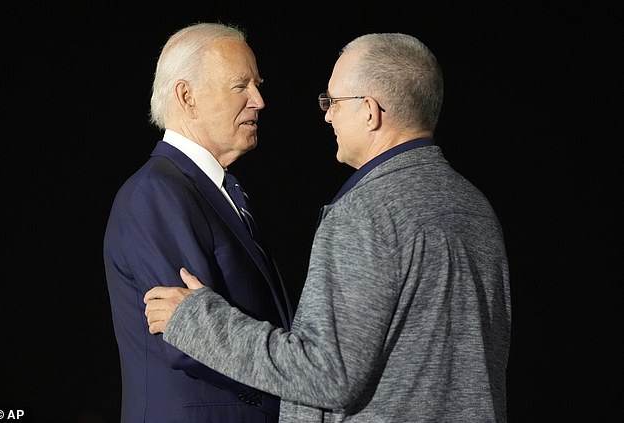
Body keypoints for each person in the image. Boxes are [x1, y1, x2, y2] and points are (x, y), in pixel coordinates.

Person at [144, 33, 511, 422]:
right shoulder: (475, 207)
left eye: (332, 102)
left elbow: (326, 375)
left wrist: (197, 321)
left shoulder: (367, 211)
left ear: (370, 111)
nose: (327, 115)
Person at [103, 22, 293, 423]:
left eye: (257, 85)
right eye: (240, 86)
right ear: (187, 96)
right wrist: (297, 392)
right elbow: (186, 339)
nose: (259, 100)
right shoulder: (157, 193)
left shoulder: (215, 190)